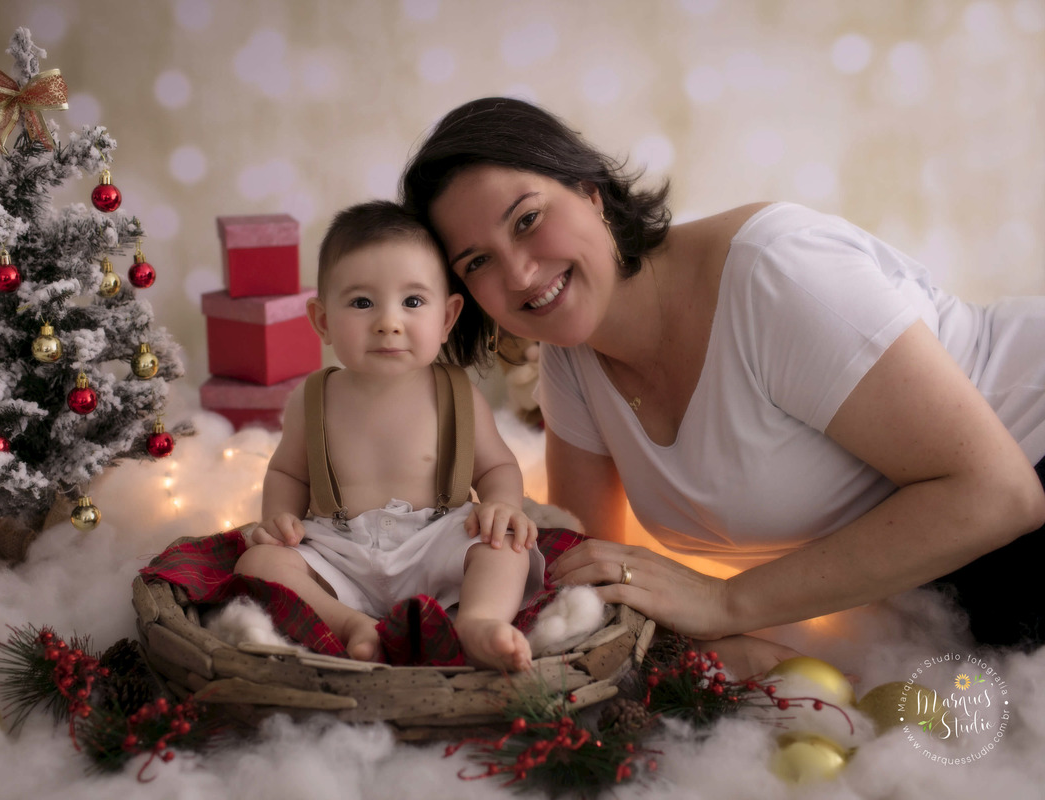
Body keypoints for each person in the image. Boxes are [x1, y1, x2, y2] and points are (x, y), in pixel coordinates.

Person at [400, 97, 1045, 667]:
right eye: (478, 261)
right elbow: (587, 564)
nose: (518, 274)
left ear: (591, 191)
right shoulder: (572, 355)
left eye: (527, 219)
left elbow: (1000, 493)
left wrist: (727, 604)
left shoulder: (775, 275)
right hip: (944, 583)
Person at [234, 200, 545, 672]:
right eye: (362, 302)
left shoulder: (458, 394)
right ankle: (347, 623)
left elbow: (497, 465)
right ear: (322, 321)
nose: (388, 321)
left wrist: (504, 504)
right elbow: (287, 471)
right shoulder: (312, 398)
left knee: (504, 549)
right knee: (257, 565)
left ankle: (478, 622)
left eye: (413, 302)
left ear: (446, 318)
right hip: (339, 550)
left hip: (437, 540)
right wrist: (279, 519)